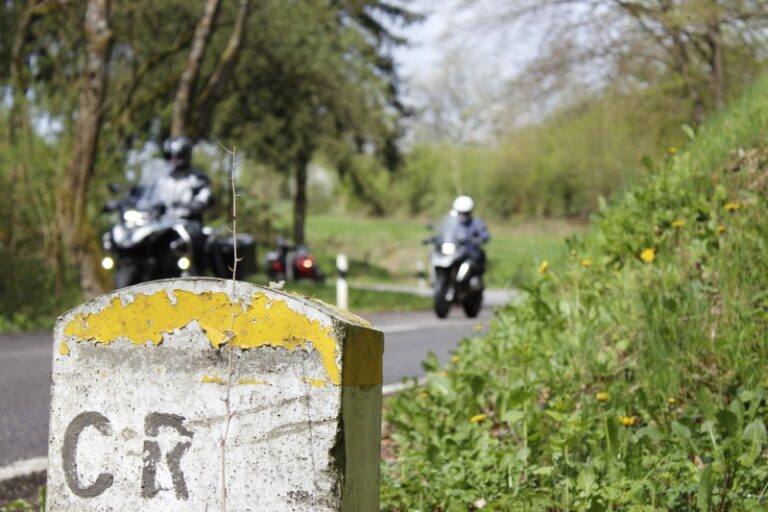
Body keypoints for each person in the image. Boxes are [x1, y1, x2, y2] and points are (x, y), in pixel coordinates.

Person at [151, 135, 214, 271]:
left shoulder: (197, 177)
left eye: (177, 156)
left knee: (195, 240)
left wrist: (198, 204)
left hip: (188, 223)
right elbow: (152, 199)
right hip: (164, 225)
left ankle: (195, 272)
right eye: (171, 156)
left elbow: (206, 196)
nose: (174, 160)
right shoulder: (162, 179)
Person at [451, 195, 490, 272]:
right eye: (460, 213)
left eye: (465, 213)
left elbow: (485, 235)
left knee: (477, 261)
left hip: (470, 253)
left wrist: (478, 240)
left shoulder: (476, 223)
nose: (462, 216)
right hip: (455, 251)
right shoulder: (453, 223)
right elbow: (445, 231)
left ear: (469, 212)